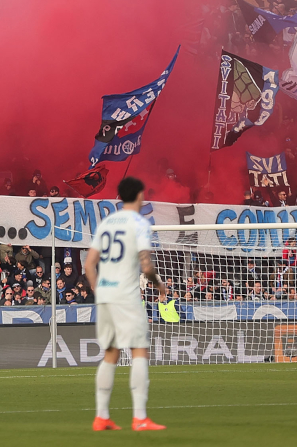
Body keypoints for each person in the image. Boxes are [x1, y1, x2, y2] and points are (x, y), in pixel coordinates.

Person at [83, 177, 167, 431]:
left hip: (106, 295)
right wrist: (159, 284)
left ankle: (101, 416)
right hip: (126, 295)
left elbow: (89, 264)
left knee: (110, 353)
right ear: (140, 195)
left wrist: (99, 289)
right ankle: (140, 417)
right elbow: (146, 264)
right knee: (139, 349)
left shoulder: (107, 222)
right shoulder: (139, 223)